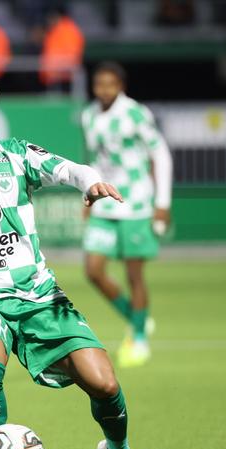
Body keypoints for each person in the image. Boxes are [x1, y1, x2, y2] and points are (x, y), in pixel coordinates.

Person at [0, 71, 160, 449]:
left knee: (103, 383)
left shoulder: (14, 154)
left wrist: (90, 182)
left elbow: (66, 167)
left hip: (40, 294)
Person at [81, 61, 173, 368]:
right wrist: (87, 196)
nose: (103, 89)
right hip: (105, 203)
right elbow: (93, 160)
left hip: (135, 202)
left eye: (110, 84)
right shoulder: (89, 115)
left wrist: (163, 202)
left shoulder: (135, 113)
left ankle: (138, 338)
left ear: (121, 86)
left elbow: (160, 153)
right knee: (93, 271)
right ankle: (137, 317)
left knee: (134, 275)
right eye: (98, 84)